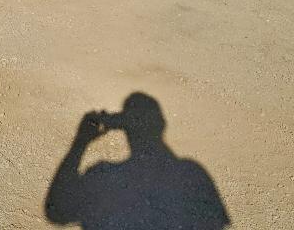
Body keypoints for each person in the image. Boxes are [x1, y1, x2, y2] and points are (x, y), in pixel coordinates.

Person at [45, 92, 230, 230]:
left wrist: (81, 142)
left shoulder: (102, 177)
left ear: (123, 128)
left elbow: (56, 211)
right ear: (162, 124)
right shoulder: (191, 174)